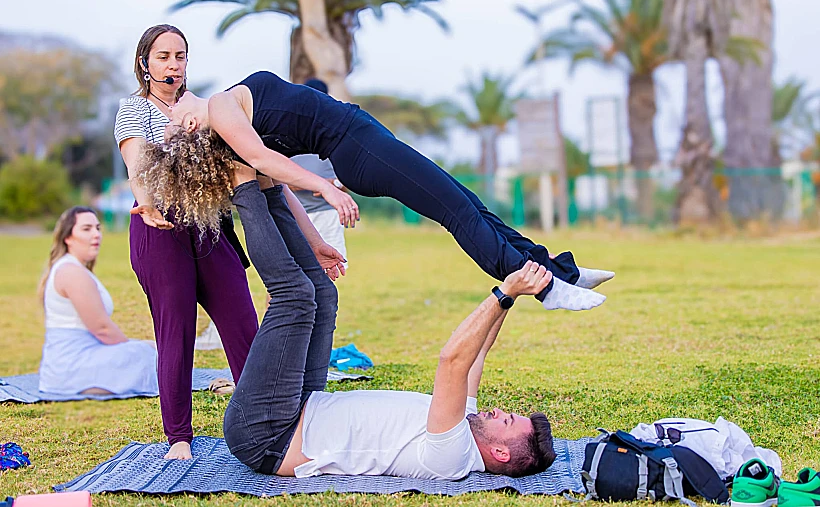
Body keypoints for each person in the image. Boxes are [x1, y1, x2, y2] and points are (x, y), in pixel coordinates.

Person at [144, 71, 615, 312]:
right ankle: (546, 288)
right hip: (357, 148)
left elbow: (280, 186)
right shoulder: (222, 111)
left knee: (470, 203)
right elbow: (270, 165)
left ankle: (557, 270)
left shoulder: (227, 111)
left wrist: (320, 225)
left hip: (362, 139)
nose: (176, 113)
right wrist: (327, 190)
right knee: (456, 211)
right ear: (191, 131)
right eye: (175, 125)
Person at [222, 223, 557, 479]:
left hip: (268, 435)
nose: (499, 411)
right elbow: (477, 353)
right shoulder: (464, 422)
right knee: (323, 294)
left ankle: (247, 186)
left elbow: (452, 360)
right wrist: (515, 289)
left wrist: (505, 292)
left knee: (294, 297)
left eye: (507, 420)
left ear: (499, 452)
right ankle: (270, 187)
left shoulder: (452, 455)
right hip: (299, 405)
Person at [114, 25, 260, 460]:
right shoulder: (132, 109)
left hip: (210, 224)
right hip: (158, 225)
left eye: (180, 56)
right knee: (175, 333)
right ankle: (179, 436)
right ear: (145, 63)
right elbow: (136, 162)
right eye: (163, 56)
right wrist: (147, 203)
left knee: (243, 326)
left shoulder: (205, 106)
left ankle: (265, 425)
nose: (173, 64)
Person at [38, 207, 158, 397]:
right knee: (150, 355)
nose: (96, 235)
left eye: (97, 228)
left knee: (152, 350)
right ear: (67, 237)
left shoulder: (74, 268)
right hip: (71, 366)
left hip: (74, 360)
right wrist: (133, 348)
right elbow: (102, 329)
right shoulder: (72, 272)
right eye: (86, 229)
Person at [289, 78, 349, 264]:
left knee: (330, 267)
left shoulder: (335, 133)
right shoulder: (286, 130)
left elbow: (348, 181)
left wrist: (332, 185)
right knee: (289, 270)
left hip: (326, 213)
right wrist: (305, 183)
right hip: (293, 212)